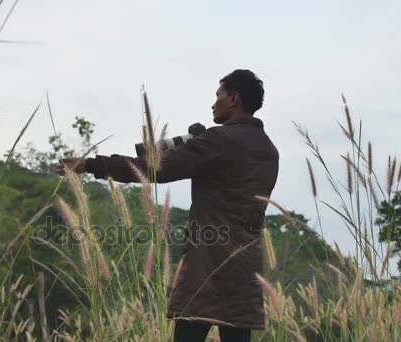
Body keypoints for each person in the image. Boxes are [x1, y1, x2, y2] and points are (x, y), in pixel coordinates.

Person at [58, 69, 279, 342]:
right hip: (245, 265)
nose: (213, 102)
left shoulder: (219, 141)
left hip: (209, 262)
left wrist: (91, 165)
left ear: (234, 98)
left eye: (218, 95)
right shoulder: (269, 150)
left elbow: (154, 168)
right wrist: (200, 144)